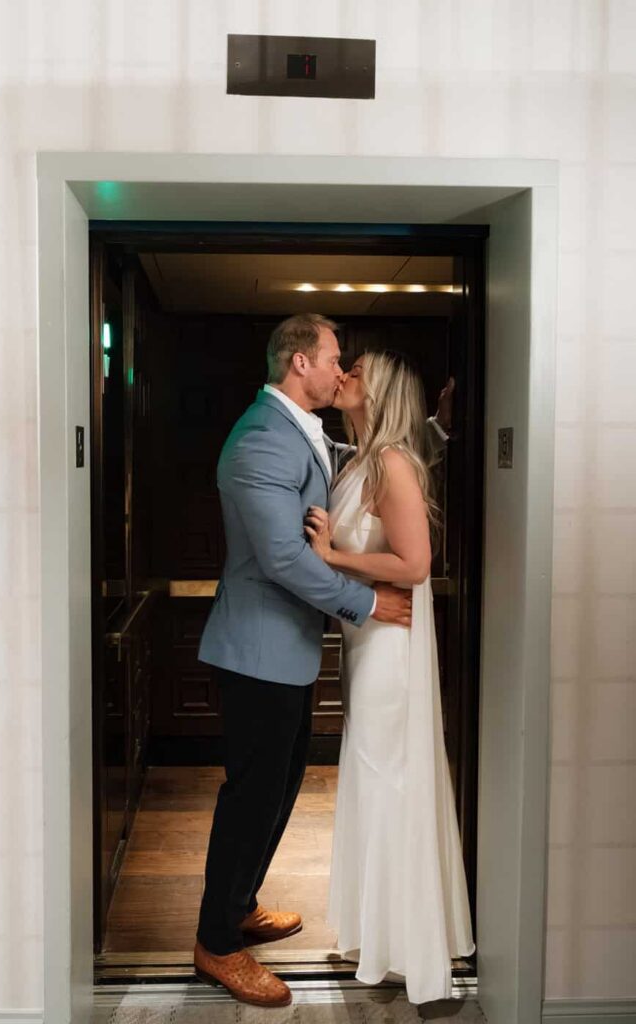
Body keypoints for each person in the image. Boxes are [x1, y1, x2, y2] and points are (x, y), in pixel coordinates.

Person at [194, 313, 452, 1008]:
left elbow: (380, 464)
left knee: (276, 790)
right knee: (253, 796)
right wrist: (365, 605)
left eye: (350, 365)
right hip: (258, 651)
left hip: (289, 653)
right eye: (336, 358)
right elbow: (284, 557)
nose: (341, 370)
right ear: (300, 362)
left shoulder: (308, 434)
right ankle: (217, 943)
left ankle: (239, 903)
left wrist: (436, 428)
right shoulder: (261, 439)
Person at [304, 349, 475, 1005]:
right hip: (365, 643)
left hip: (389, 649)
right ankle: (381, 933)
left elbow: (415, 565)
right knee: (373, 776)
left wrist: (332, 555)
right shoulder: (362, 459)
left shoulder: (392, 464)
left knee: (388, 778)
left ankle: (406, 944)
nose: (345, 374)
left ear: (381, 392)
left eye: (358, 371)